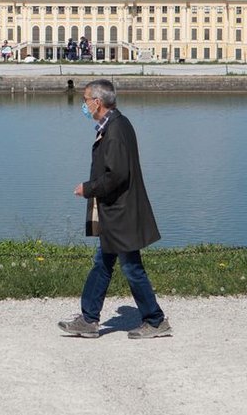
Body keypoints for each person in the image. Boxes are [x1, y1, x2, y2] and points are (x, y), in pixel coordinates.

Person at [59, 79, 171, 340]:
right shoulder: (114, 125)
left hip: (121, 212)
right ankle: (89, 319)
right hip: (116, 211)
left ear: (97, 102)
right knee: (103, 262)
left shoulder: (116, 128)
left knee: (131, 267)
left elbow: (117, 175)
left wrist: (88, 188)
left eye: (86, 100)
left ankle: (154, 320)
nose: (84, 105)